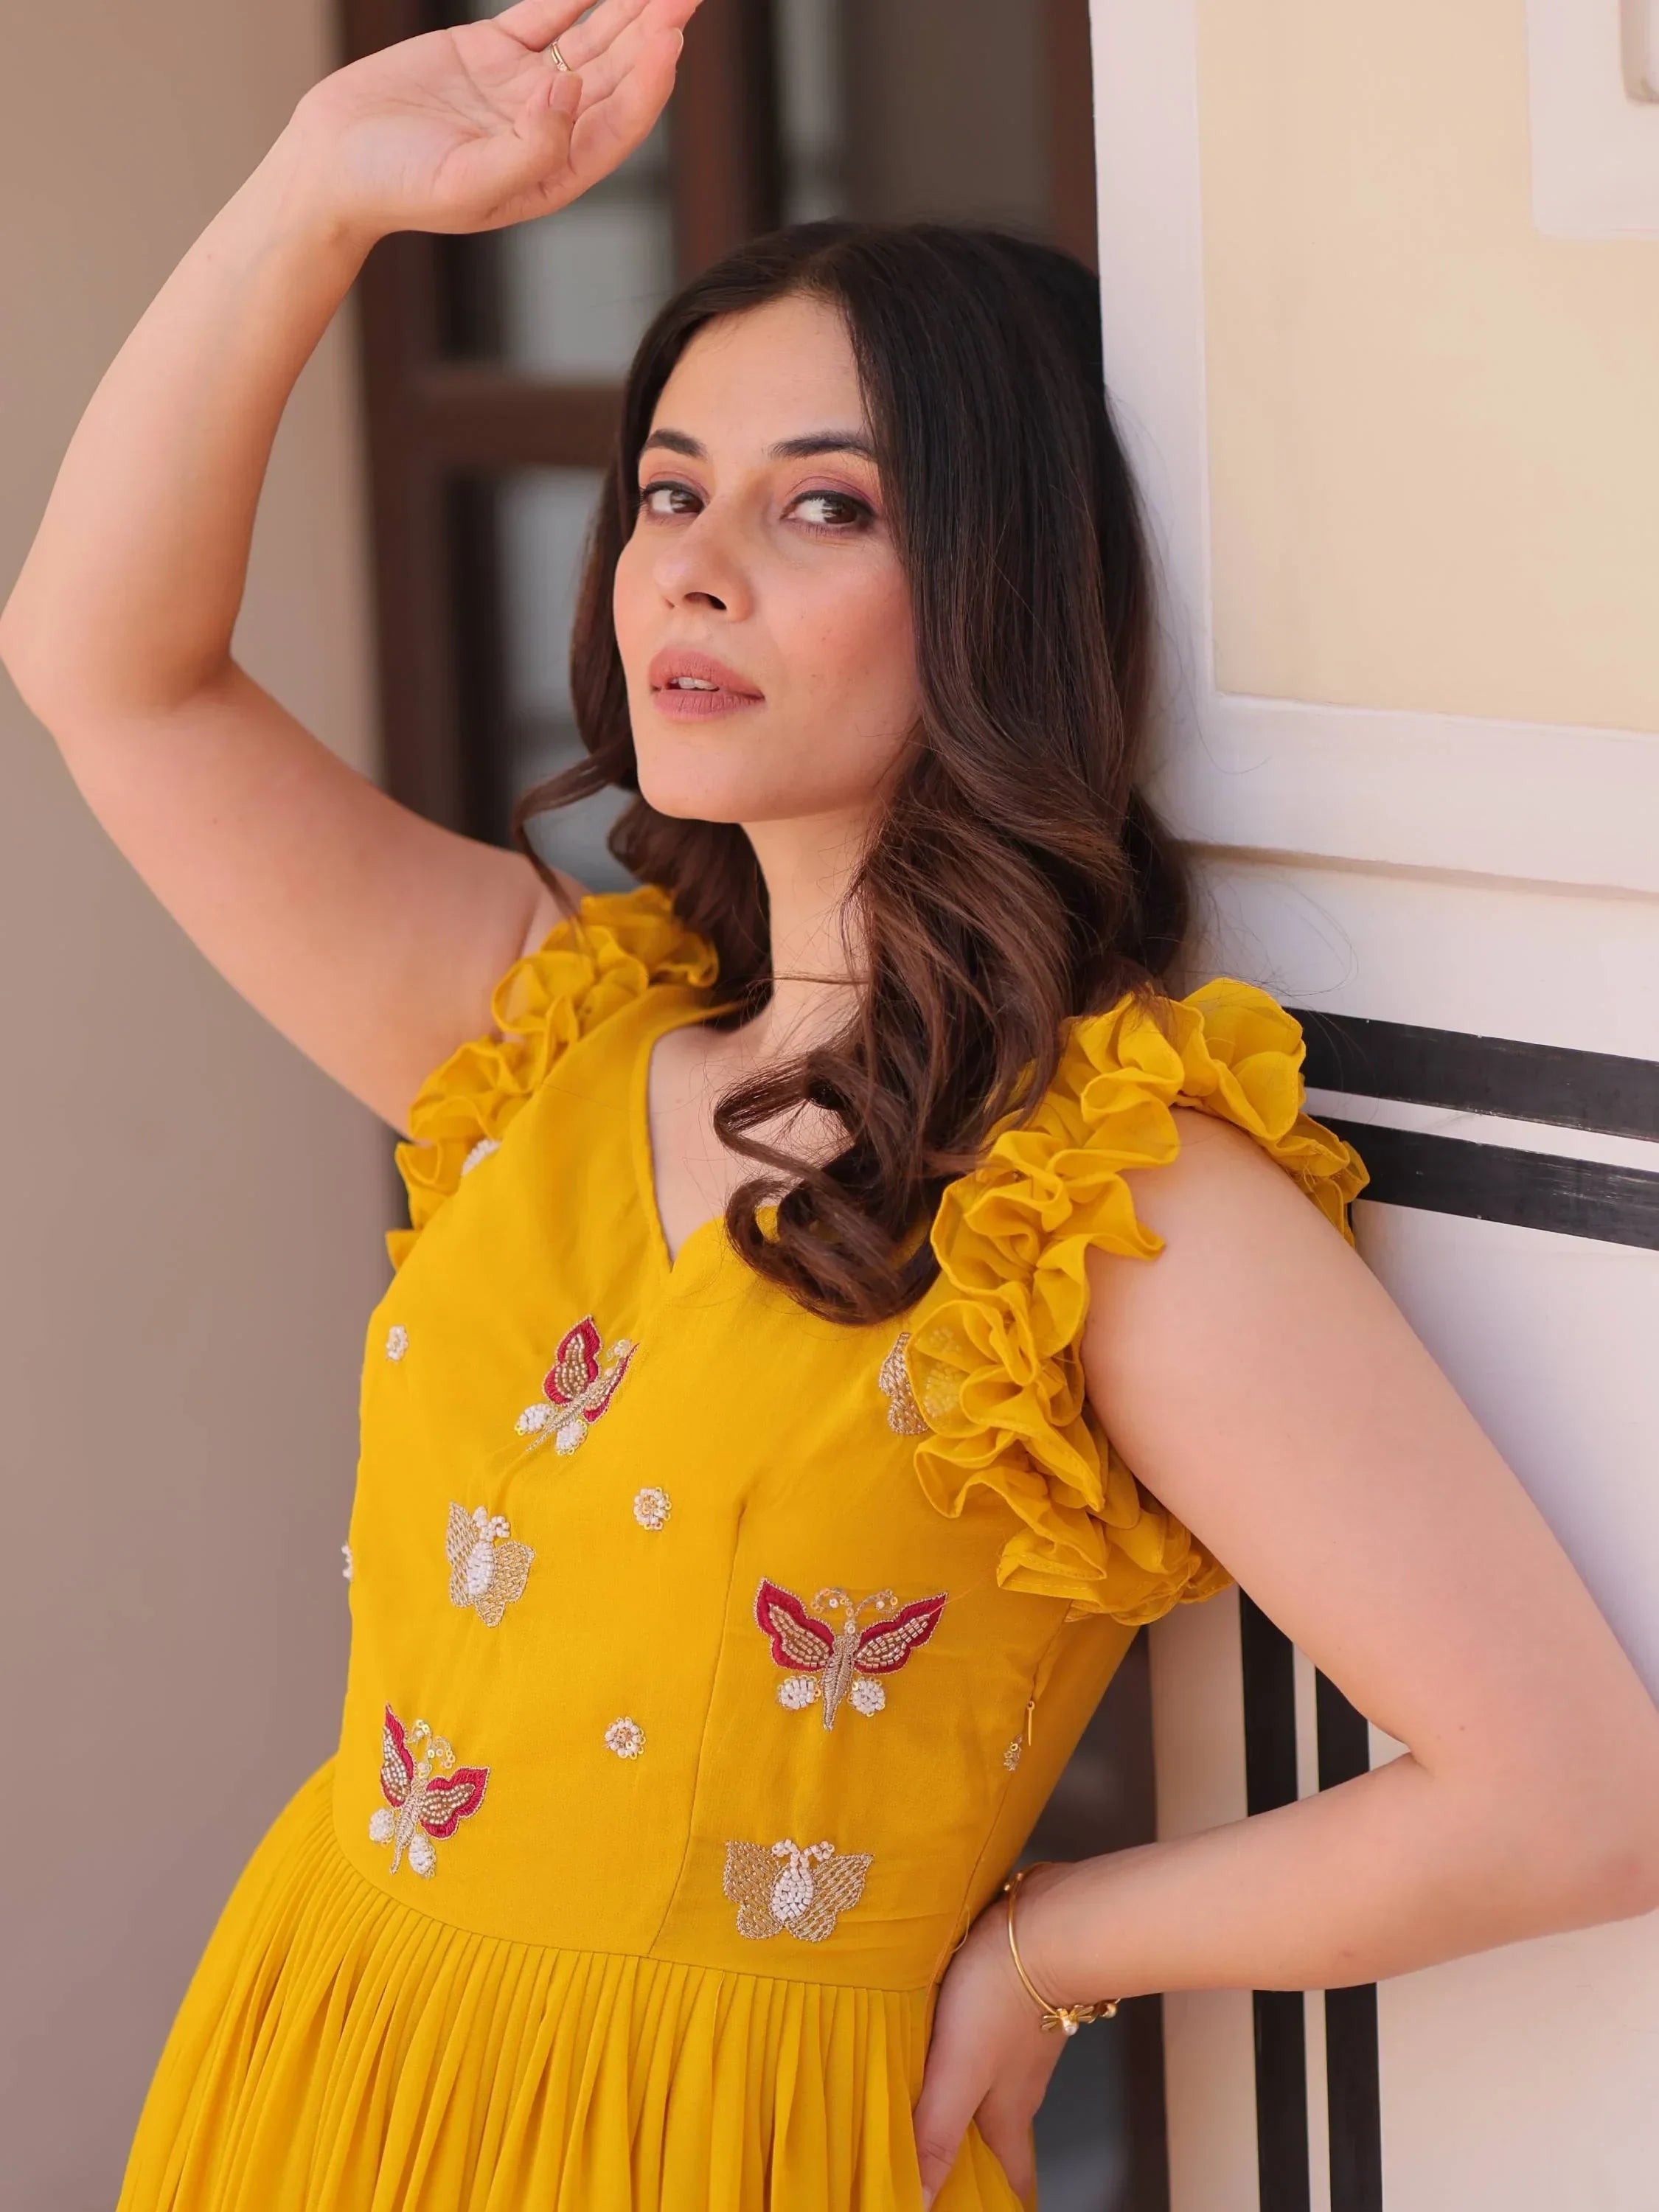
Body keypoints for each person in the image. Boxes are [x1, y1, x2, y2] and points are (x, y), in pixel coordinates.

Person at [5, 1, 1658, 2206]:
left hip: (735, 2146)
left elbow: (1568, 1795)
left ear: (990, 594)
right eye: (669, 491)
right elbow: (101, 661)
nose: (692, 562)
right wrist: (318, 185)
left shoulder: (1095, 1198)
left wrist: (1056, 1945)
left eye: (823, 509)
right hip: (336, 2065)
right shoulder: (539, 1038)